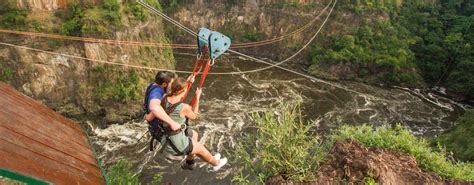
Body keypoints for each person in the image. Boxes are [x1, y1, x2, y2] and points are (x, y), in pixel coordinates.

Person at [145, 73, 227, 172]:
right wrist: (197, 98)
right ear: (182, 91)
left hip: (166, 136)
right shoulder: (184, 107)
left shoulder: (163, 98)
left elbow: (151, 116)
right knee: (200, 149)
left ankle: (189, 163)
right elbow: (194, 116)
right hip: (175, 143)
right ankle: (216, 164)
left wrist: (187, 83)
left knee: (194, 135)